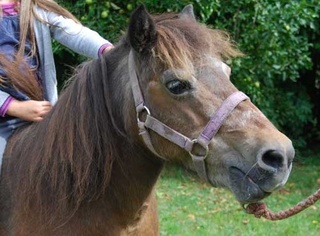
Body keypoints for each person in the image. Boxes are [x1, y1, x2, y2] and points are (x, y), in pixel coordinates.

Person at [0, 0, 114, 167]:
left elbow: (73, 32)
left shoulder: (35, 9)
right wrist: (14, 107)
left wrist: (108, 51)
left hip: (43, 114)